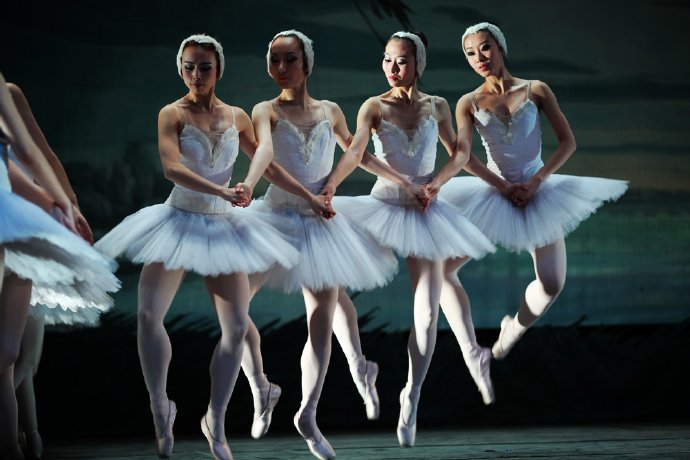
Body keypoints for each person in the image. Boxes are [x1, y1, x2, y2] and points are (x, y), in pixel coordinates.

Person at [94, 34, 299, 460]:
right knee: (148, 315)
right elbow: (171, 168)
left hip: (224, 225)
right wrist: (222, 191)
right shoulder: (172, 114)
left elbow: (266, 160)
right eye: (188, 67)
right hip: (179, 219)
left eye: (204, 67)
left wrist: (296, 194)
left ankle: (215, 420)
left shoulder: (236, 116)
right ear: (180, 68)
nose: (196, 75)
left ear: (218, 69)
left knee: (236, 328)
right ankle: (160, 408)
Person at [325, 31, 496, 449]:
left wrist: (435, 184)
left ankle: (411, 396)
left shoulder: (437, 105)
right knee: (326, 280)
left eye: (401, 60)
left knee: (426, 313)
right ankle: (359, 364)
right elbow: (358, 153)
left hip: (424, 209)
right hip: (383, 205)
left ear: (418, 63)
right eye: (387, 59)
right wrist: (331, 186)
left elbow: (459, 153)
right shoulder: (373, 106)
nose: (393, 67)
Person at [241, 29, 406, 460]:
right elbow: (267, 161)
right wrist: (310, 195)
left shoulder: (330, 110)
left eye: (289, 59)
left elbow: (356, 152)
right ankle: (262, 385)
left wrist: (395, 180)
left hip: (321, 222)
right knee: (234, 310)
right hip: (276, 218)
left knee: (323, 318)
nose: (280, 68)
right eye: (274, 60)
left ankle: (309, 413)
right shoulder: (265, 110)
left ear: (306, 64)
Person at [437, 22, 628, 360]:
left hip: (538, 188)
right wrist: (502, 186)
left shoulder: (535, 90)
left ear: (500, 47)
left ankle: (513, 330)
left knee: (552, 284)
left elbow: (567, 142)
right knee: (441, 269)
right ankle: (471, 349)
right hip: (494, 191)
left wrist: (536, 180)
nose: (479, 57)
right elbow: (463, 156)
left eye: (485, 47)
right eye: (470, 53)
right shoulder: (468, 102)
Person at [0, 73, 120, 460]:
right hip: (24, 217)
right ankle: (25, 438)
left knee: (18, 357)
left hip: (25, 224)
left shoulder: (8, 93)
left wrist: (66, 207)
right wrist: (58, 206)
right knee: (11, 357)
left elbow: (37, 155)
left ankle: (28, 438)